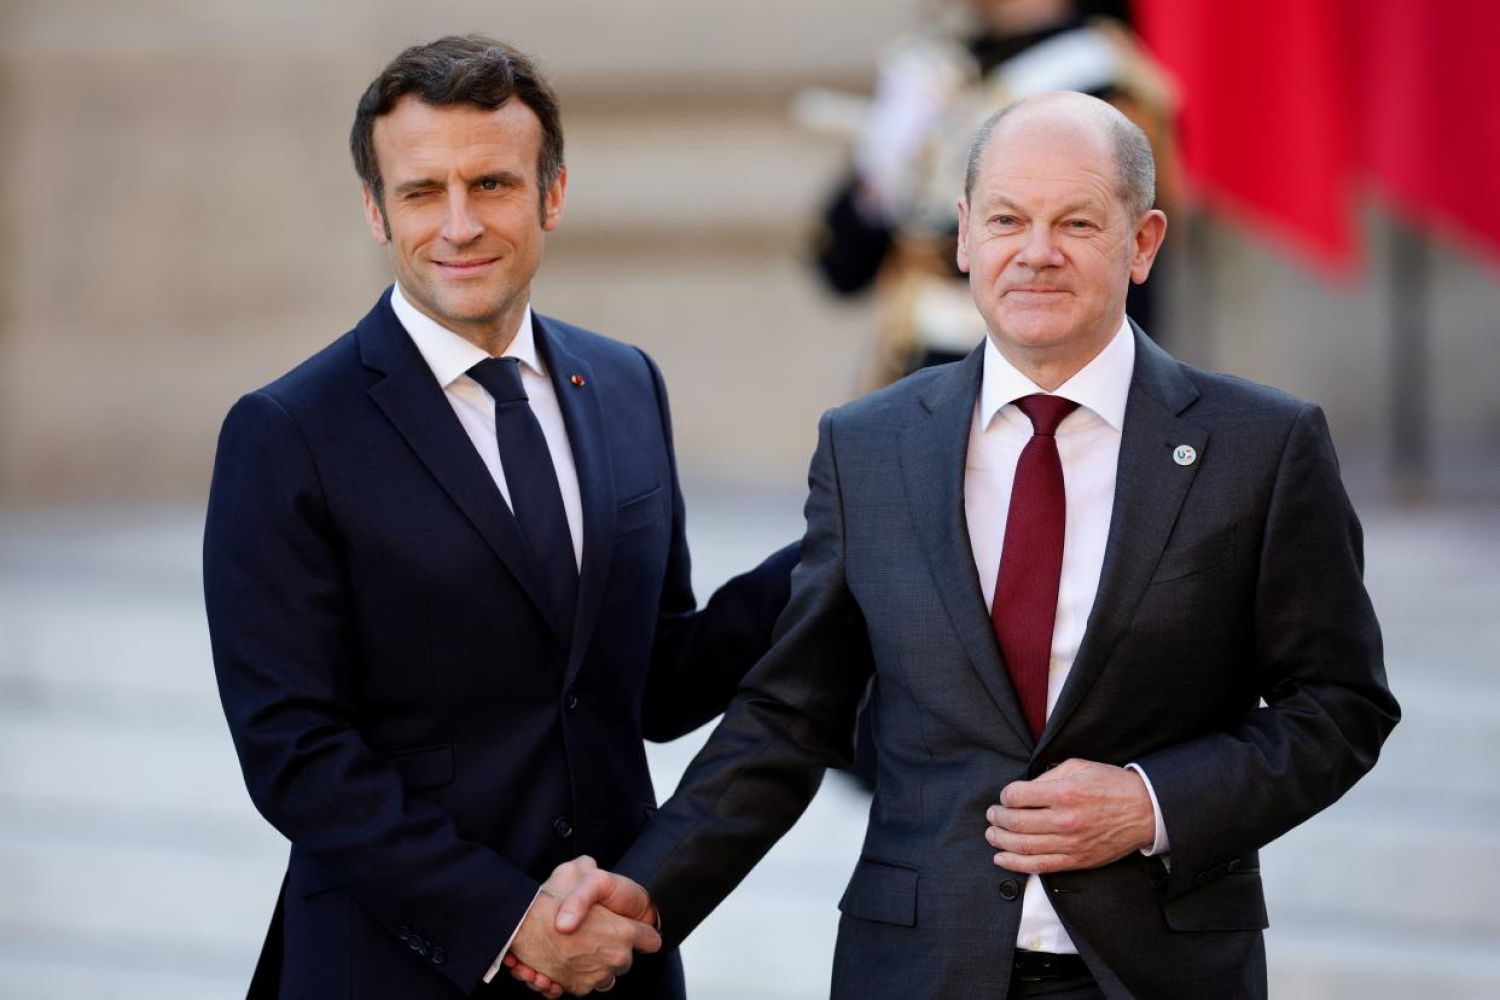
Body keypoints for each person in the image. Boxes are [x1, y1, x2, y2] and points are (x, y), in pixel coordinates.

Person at [533, 92, 1399, 998]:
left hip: (1163, 969)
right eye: (1006, 220)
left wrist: (1151, 802)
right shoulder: (868, 447)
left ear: (1143, 243)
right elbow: (790, 717)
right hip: (918, 966)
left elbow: (1339, 703)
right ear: (963, 237)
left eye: (1076, 223)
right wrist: (645, 890)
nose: (1036, 251)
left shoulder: (1262, 446)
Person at [203, 35, 797, 1000]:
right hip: (396, 968)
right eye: (421, 192)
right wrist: (509, 922)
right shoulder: (287, 432)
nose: (460, 224)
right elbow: (295, 753)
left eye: (491, 184)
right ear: (375, 209)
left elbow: (654, 680)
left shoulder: (625, 382)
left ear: (551, 194)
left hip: (615, 963)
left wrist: (837, 544)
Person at [813, 0, 1181, 388]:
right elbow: (842, 268)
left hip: (1039, 393)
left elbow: (1122, 292)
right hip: (923, 379)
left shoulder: (1099, 77)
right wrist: (883, 172)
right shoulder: (947, 67)